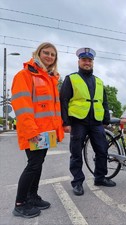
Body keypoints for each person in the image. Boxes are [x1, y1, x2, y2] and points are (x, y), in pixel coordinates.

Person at [11, 42, 64, 218]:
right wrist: (31, 131)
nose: (49, 56)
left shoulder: (50, 78)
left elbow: (52, 109)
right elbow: (22, 106)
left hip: (45, 133)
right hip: (34, 132)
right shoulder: (25, 75)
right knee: (33, 165)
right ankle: (20, 203)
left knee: (38, 165)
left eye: (53, 54)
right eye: (46, 53)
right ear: (37, 53)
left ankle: (32, 196)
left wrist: (57, 129)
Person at [60, 47, 116, 196]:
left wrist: (106, 119)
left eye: (89, 60)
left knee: (102, 150)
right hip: (79, 121)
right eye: (84, 60)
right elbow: (63, 101)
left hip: (96, 122)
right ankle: (77, 182)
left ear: (93, 63)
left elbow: (104, 102)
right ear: (79, 61)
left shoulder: (98, 81)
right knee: (76, 153)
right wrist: (65, 122)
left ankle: (100, 177)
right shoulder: (71, 79)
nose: (87, 62)